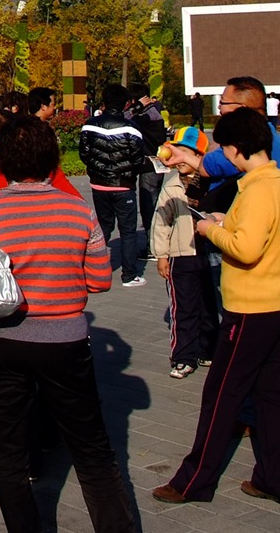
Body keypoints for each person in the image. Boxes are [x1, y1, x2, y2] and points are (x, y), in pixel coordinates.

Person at [0, 115, 135, 533]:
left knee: (9, 450)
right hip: (65, 341)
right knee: (93, 450)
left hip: (1, 340)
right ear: (52, 158)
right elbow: (100, 281)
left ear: (3, 161)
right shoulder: (78, 210)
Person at [153, 107, 280, 507]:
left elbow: (248, 249)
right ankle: (275, 479)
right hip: (279, 299)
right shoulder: (279, 181)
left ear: (235, 149)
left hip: (251, 306)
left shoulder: (257, 189)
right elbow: (273, 233)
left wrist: (211, 229)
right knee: (271, 395)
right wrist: (226, 219)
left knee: (221, 395)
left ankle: (193, 481)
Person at [151, 127, 218, 379]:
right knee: (184, 309)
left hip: (210, 253)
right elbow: (161, 222)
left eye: (185, 153)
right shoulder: (171, 183)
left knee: (210, 307)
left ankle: (208, 349)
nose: (177, 158)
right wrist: (161, 255)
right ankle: (183, 357)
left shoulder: (212, 182)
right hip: (181, 254)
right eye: (175, 150)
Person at [79, 83, 150, 287]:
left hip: (99, 185)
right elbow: (138, 158)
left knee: (103, 227)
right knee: (128, 231)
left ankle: (91, 269)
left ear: (104, 101)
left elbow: (85, 154)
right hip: (124, 185)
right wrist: (126, 172)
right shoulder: (132, 128)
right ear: (125, 103)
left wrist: (98, 169)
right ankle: (129, 276)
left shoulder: (89, 125)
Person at [128, 83, 168, 260]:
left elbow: (124, 120)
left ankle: (153, 248)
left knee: (149, 206)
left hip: (150, 165)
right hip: (157, 164)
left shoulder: (146, 115)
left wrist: (137, 108)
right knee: (153, 203)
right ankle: (157, 245)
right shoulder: (154, 112)